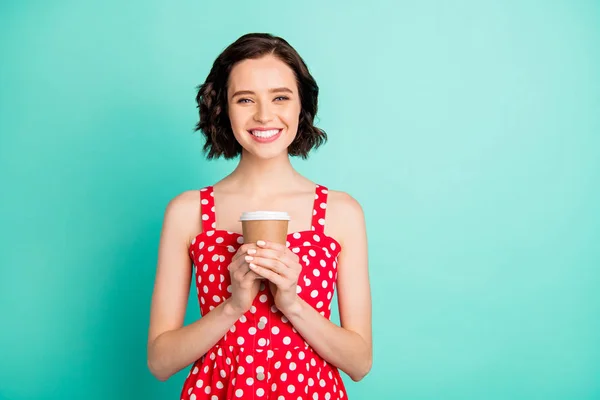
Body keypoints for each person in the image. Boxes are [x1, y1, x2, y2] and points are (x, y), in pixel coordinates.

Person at [147, 33, 372, 400]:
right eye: (245, 99)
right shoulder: (187, 212)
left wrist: (292, 304)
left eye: (280, 97)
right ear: (223, 108)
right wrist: (233, 305)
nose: (264, 115)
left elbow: (360, 363)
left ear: (302, 105)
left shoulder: (341, 212)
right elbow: (160, 362)